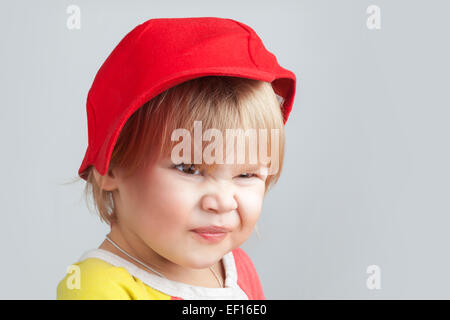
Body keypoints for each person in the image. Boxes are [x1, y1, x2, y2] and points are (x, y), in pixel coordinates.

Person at [56, 16, 296, 300]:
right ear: (111, 167)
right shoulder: (96, 287)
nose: (221, 201)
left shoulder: (237, 269)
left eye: (246, 175)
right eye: (190, 169)